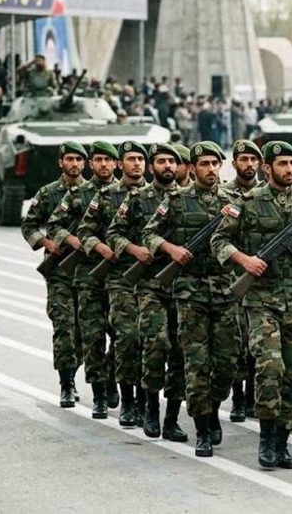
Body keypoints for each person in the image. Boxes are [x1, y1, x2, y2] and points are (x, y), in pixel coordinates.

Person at [212, 140, 292, 470]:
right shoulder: (248, 202)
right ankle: (267, 440)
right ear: (267, 168)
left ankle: (283, 442)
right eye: (282, 164)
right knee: (270, 368)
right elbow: (219, 240)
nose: (289, 169)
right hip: (261, 300)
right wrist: (244, 260)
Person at [142, 141, 238, 458]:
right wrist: (171, 249)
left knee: (226, 364)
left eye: (215, 164)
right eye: (205, 164)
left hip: (225, 291)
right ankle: (203, 428)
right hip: (189, 292)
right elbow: (149, 234)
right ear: (193, 168)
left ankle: (213, 408)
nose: (211, 169)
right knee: (196, 363)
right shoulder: (176, 200)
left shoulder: (234, 202)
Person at [106, 143, 188, 443]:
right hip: (149, 284)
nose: (167, 166)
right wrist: (135, 250)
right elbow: (113, 234)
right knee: (154, 344)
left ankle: (172, 418)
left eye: (172, 161)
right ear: (153, 167)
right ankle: (149, 406)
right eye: (161, 161)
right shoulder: (137, 198)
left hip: (184, 286)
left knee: (180, 351)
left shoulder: (188, 197)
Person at [75, 141, 149, 423]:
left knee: (145, 340)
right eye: (131, 159)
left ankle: (141, 399)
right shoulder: (106, 196)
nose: (136, 163)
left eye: (140, 159)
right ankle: (107, 396)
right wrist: (102, 247)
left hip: (149, 278)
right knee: (118, 336)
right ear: (122, 164)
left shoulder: (159, 196)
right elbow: (85, 231)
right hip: (116, 275)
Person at [45, 141, 118, 417]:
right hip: (83, 273)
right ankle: (88, 390)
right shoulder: (77, 194)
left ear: (116, 163)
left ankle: (112, 375)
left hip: (117, 274)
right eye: (98, 159)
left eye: (108, 160)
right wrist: (74, 241)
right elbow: (53, 225)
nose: (103, 164)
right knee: (86, 333)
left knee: (125, 333)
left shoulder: (127, 193)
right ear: (92, 164)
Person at [21, 141, 87, 407]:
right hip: (59, 270)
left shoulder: (95, 193)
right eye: (69, 159)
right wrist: (46, 243)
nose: (74, 164)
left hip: (87, 271)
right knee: (64, 327)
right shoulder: (48, 193)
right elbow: (29, 225)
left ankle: (77, 371)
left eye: (78, 159)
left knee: (85, 330)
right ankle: (66, 384)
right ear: (61, 162)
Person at [223, 139, 263, 422]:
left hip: (261, 279)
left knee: (257, 344)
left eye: (253, 159)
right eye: (243, 159)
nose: (249, 164)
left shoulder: (266, 193)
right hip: (234, 277)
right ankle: (238, 397)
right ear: (234, 162)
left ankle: (252, 396)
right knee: (237, 341)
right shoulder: (223, 194)